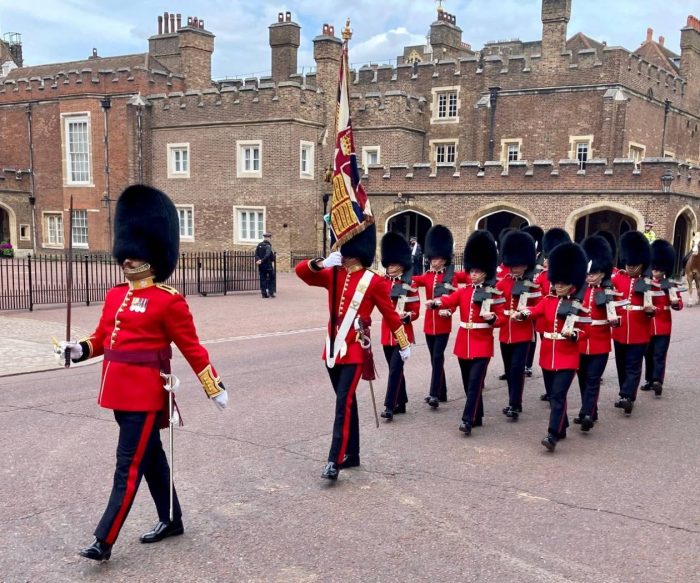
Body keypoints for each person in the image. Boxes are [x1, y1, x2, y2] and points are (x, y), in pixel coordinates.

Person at [57, 185, 228, 562]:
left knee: (127, 465)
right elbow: (103, 338)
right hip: (118, 390)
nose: (128, 260)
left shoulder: (169, 300)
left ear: (152, 255)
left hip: (147, 394)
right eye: (126, 255)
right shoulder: (117, 294)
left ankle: (104, 540)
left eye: (135, 255)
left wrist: (212, 386)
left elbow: (191, 347)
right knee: (150, 457)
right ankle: (172, 518)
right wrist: (79, 349)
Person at [295, 225, 411, 481]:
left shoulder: (373, 281)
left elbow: (390, 315)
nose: (342, 253)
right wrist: (321, 262)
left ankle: (333, 460)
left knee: (342, 403)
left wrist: (403, 343)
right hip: (333, 348)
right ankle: (353, 454)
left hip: (356, 349)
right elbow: (301, 272)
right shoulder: (333, 274)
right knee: (347, 402)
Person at [428, 230, 505, 435]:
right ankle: (477, 415)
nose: (473, 274)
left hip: (482, 344)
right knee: (467, 383)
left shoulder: (494, 293)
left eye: (477, 272)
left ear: (486, 272)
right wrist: (435, 302)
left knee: (474, 384)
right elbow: (449, 300)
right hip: (464, 343)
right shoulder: (464, 291)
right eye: (471, 271)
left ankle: (467, 419)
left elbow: (502, 317)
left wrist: (493, 319)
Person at [516, 242, 589, 451]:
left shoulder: (578, 306)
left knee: (558, 395)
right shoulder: (548, 300)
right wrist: (523, 313)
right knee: (553, 394)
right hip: (548, 355)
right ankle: (562, 424)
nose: (557, 285)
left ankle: (552, 434)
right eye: (556, 282)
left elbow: (587, 329)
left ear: (572, 283)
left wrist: (575, 334)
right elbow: (535, 310)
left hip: (567, 357)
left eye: (562, 282)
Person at [412, 225, 464, 408]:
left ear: (444, 259)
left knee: (437, 357)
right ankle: (442, 392)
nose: (435, 262)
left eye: (438, 259)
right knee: (435, 358)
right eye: (433, 259)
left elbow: (454, 300)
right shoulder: (427, 276)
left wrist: (449, 311)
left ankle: (434, 393)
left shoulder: (450, 278)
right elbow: (412, 280)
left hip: (443, 323)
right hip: (429, 323)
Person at [611, 231, 660, 416]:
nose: (630, 268)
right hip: (620, 329)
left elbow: (659, 305)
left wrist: (652, 311)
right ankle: (625, 391)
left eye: (635, 265)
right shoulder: (617, 279)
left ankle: (628, 397)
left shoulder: (650, 283)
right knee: (621, 365)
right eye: (628, 264)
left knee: (633, 365)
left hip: (639, 331)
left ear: (642, 263)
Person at [496, 230, 540, 420]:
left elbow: (540, 306)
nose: (515, 268)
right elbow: (495, 302)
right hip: (505, 331)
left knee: (517, 368)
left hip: (523, 332)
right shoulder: (502, 283)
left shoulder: (533, 284)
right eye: (513, 265)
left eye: (519, 265)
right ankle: (512, 401)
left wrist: (526, 313)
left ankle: (515, 404)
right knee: (508, 369)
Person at [575, 235, 617, 431]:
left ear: (602, 273)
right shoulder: (579, 290)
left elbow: (620, 312)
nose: (590, 276)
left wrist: (616, 321)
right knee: (583, 378)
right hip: (581, 341)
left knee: (593, 379)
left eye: (594, 273)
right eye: (588, 273)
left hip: (600, 341)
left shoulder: (610, 290)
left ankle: (586, 413)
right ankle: (592, 410)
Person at [379, 232, 420, 420]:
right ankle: (401, 402)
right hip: (386, 332)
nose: (390, 268)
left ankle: (389, 405)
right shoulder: (381, 283)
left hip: (402, 333)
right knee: (394, 368)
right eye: (388, 264)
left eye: (393, 265)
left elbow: (416, 311)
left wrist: (406, 316)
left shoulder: (409, 285)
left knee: (395, 369)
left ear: (401, 265)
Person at [532, 227, 571, 399]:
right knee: (547, 354)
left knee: (563, 354)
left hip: (564, 320)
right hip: (545, 320)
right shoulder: (542, 276)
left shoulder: (570, 276)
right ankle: (550, 390)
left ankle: (557, 390)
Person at [642, 239, 683, 396]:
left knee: (659, 354)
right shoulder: (645, 283)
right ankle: (649, 379)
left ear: (664, 270)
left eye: (658, 270)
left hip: (663, 324)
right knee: (648, 354)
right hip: (648, 325)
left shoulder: (670, 284)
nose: (655, 272)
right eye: (654, 269)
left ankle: (658, 380)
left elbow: (678, 305)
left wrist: (675, 302)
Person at [521, 225, 544, 378]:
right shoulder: (525, 259)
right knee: (524, 335)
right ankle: (522, 364)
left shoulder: (544, 259)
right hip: (524, 301)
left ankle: (529, 364)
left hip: (539, 303)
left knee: (536, 335)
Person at [255, 232, 276, 298]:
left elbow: (256, 254)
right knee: (271, 278)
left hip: (261, 266)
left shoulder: (259, 245)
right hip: (268, 265)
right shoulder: (268, 246)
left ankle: (264, 294)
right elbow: (268, 254)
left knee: (263, 279)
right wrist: (262, 260)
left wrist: (259, 260)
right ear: (269, 238)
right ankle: (271, 293)